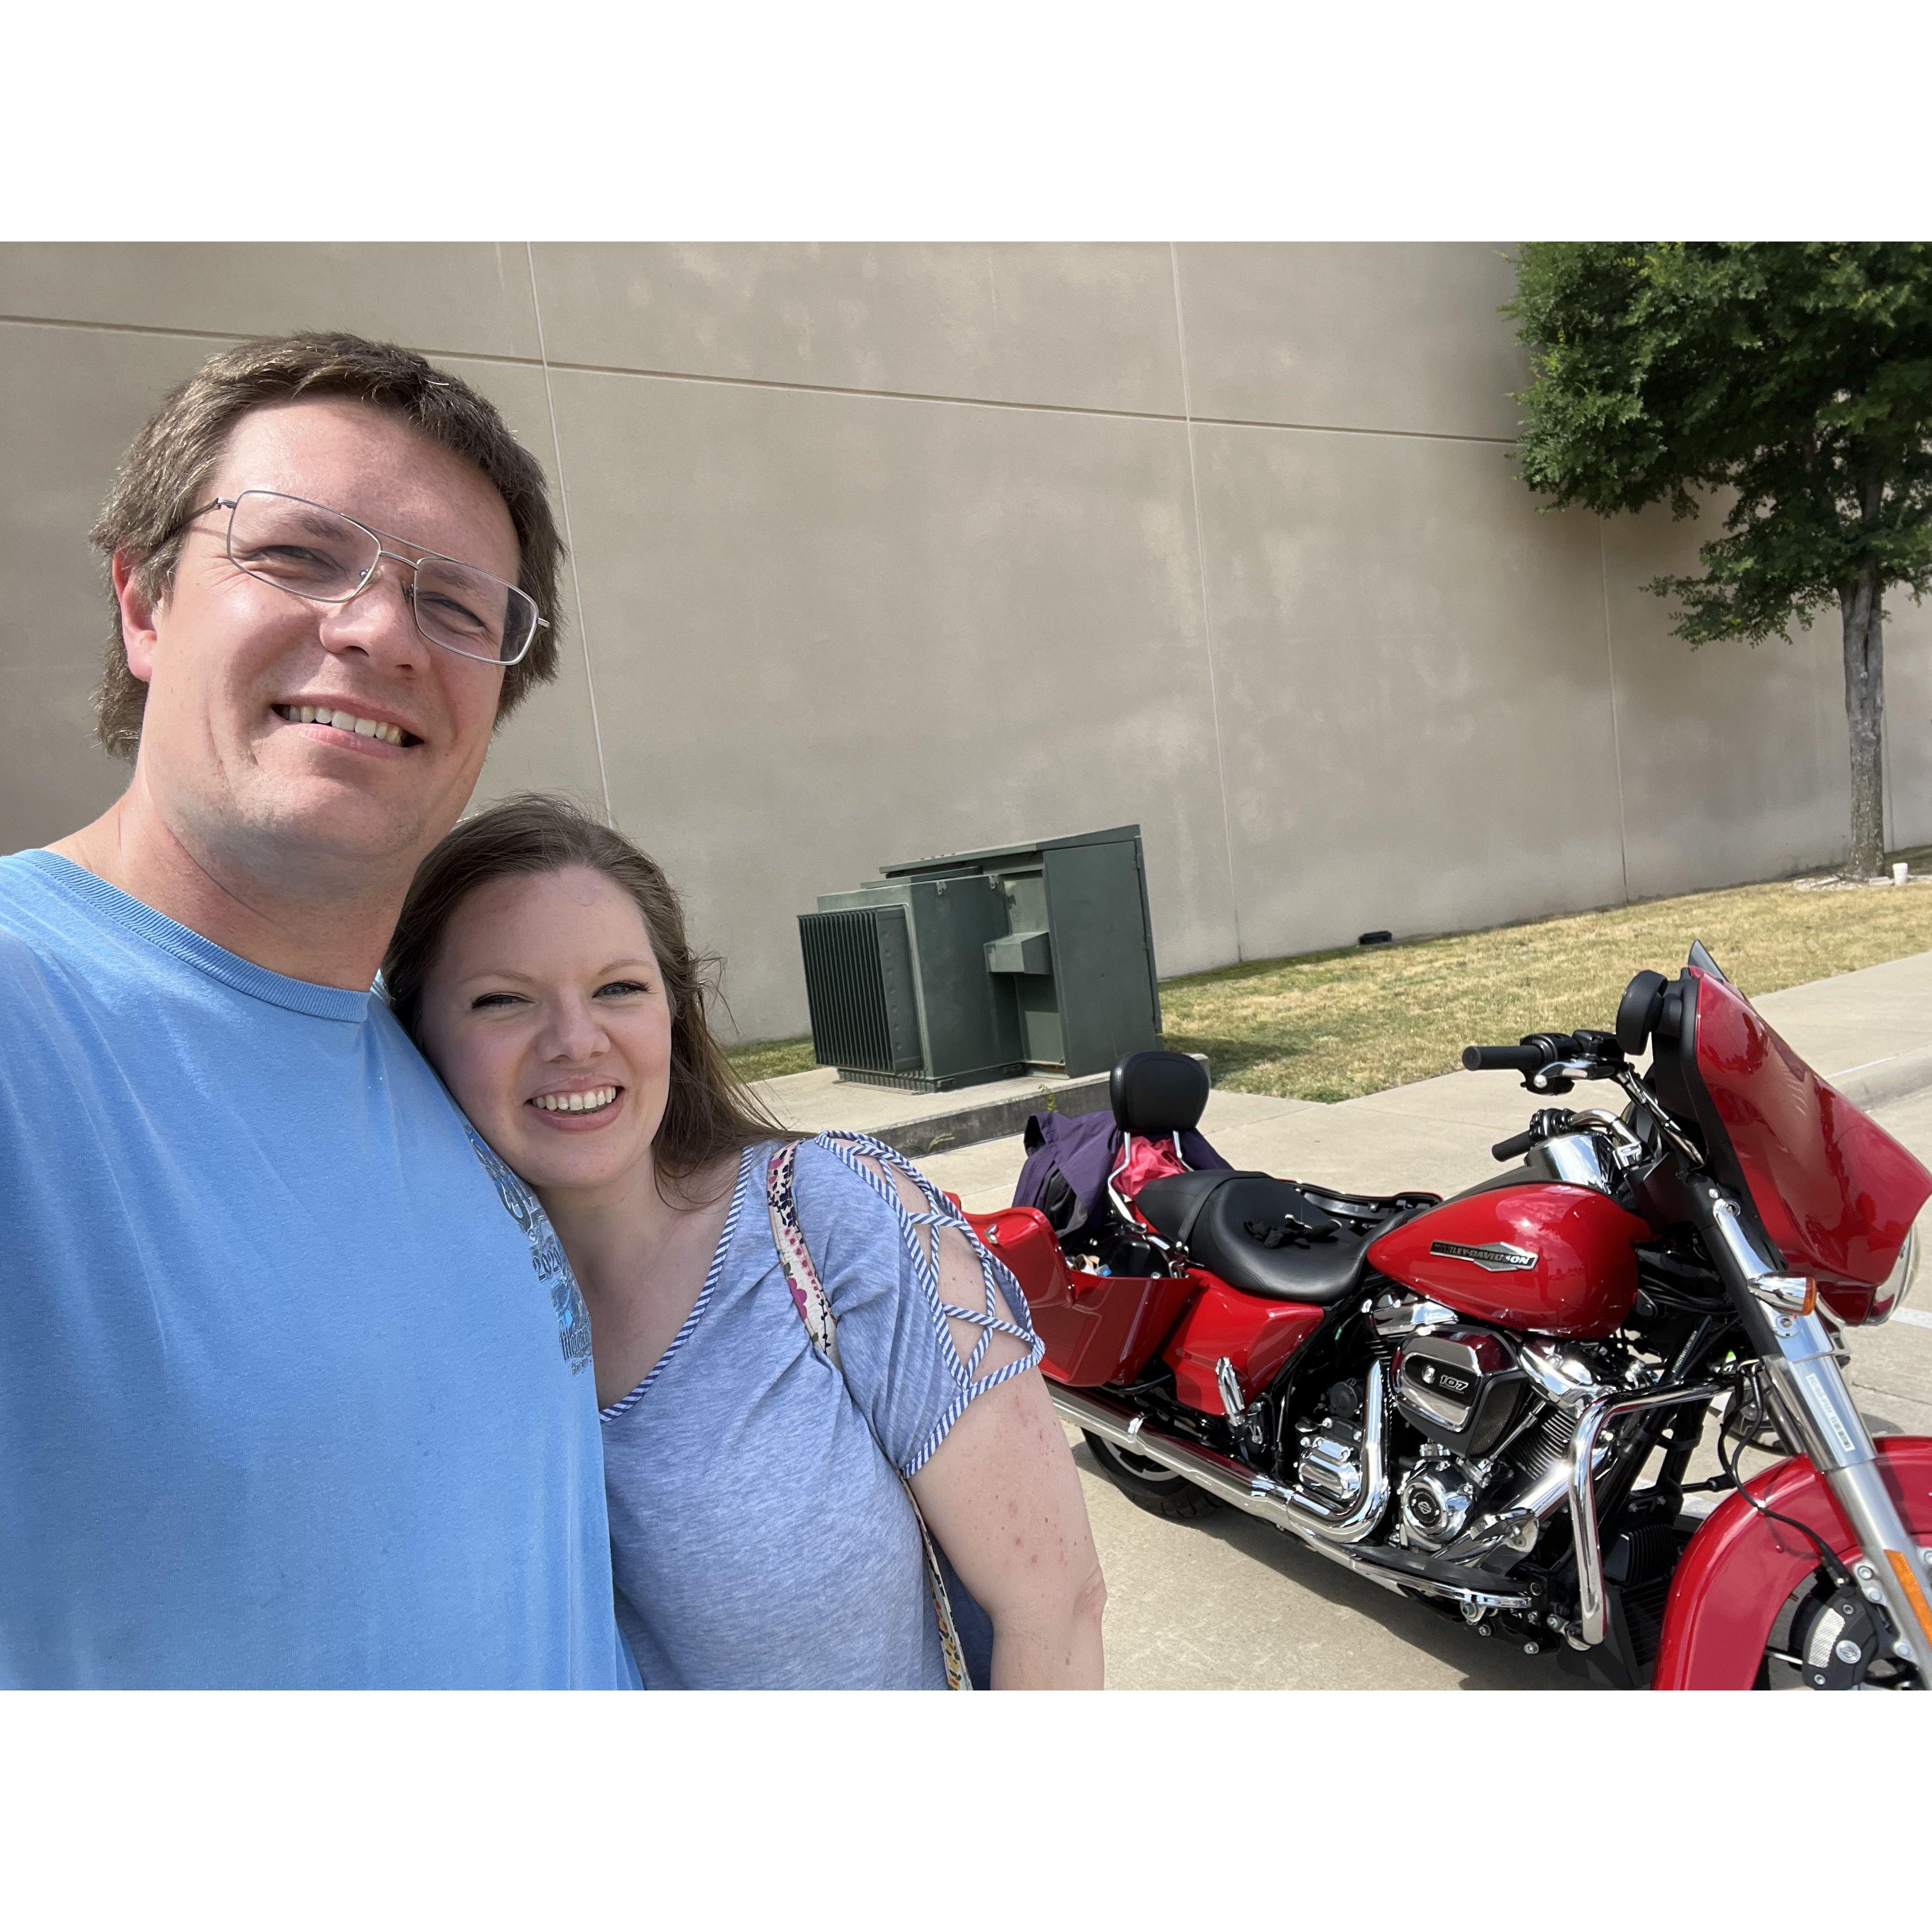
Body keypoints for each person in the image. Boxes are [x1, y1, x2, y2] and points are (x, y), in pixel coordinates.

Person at [0, 334, 637, 1688]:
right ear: (143, 601)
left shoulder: (430, 1052)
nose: (380, 630)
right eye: (295, 554)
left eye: (459, 603)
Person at [382, 794, 1108, 1689]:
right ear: (419, 1039)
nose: (577, 1041)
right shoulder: (415, 1318)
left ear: (675, 1014)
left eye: (619, 988)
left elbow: (1054, 1601)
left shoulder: (830, 1216)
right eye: (502, 1000)